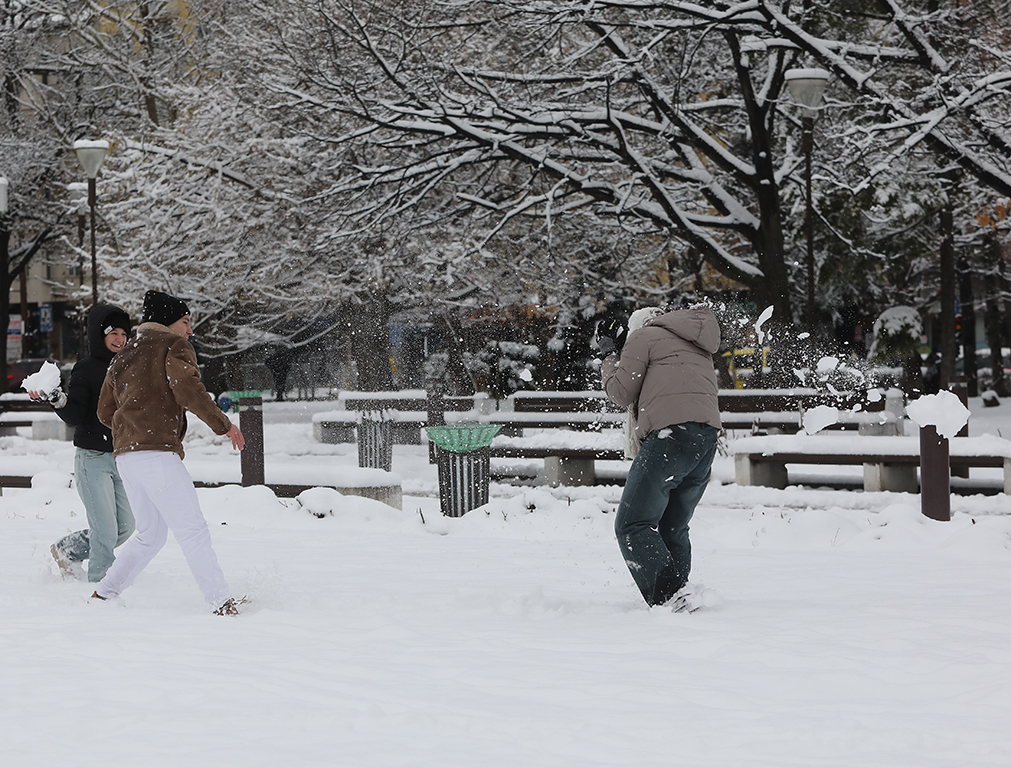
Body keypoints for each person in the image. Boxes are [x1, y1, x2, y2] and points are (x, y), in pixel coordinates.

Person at [91, 290, 246, 615]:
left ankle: (104, 593)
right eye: (185, 322)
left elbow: (105, 412)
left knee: (150, 535)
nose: (190, 330)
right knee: (192, 529)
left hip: (127, 457)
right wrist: (223, 424)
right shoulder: (173, 345)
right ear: (168, 322)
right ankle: (221, 603)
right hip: (156, 453)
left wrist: (131, 422)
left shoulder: (124, 354)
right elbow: (188, 389)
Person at [597, 303, 722, 611]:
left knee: (632, 524)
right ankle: (683, 594)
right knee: (672, 525)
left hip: (670, 437)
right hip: (705, 439)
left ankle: (671, 598)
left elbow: (620, 393)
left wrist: (608, 357)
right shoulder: (695, 341)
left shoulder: (644, 337)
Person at [31, 305, 135, 583]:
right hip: (92, 459)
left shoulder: (127, 366)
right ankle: (103, 584)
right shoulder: (86, 368)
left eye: (124, 333)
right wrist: (57, 398)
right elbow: (75, 414)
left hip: (121, 458)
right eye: (113, 332)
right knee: (105, 530)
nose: (120, 338)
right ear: (99, 334)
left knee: (125, 526)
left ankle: (66, 549)